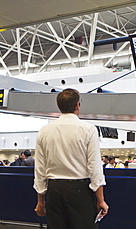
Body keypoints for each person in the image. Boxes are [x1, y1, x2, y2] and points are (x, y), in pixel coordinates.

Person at [34, 88, 108, 229]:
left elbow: (40, 169)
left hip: (54, 190)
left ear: (59, 106)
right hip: (79, 190)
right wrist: (100, 200)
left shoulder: (44, 131)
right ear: (77, 105)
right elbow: (94, 167)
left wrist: (41, 201)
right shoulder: (88, 129)